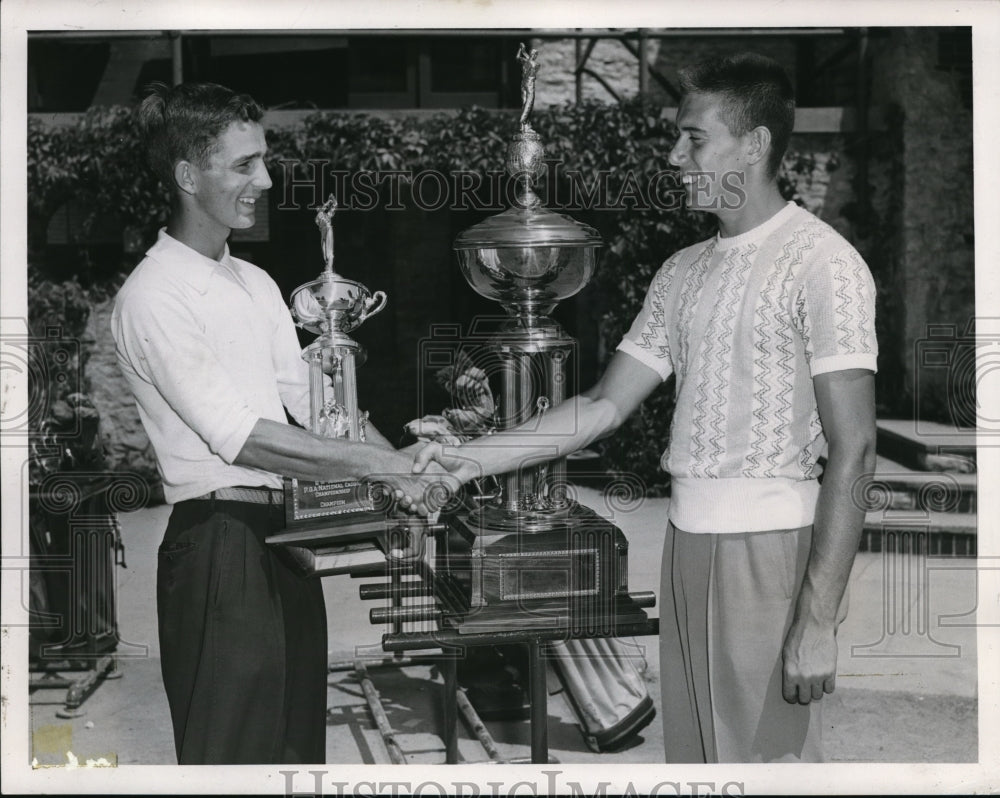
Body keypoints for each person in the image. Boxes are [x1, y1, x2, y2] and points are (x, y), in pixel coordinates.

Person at [413, 52, 878, 763]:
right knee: (696, 764)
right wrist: (464, 461)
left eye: (694, 137)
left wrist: (817, 616)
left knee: (770, 770)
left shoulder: (825, 263)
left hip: (771, 551)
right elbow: (602, 404)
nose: (674, 155)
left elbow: (856, 448)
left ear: (753, 145)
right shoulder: (681, 271)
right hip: (686, 545)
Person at [111, 82, 432, 765]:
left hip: (286, 540)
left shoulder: (255, 282)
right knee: (231, 761)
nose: (264, 179)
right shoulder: (154, 295)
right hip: (217, 544)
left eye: (263, 160)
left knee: (295, 756)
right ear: (188, 176)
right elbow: (243, 437)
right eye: (244, 164)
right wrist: (388, 467)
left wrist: (411, 470)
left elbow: (322, 408)